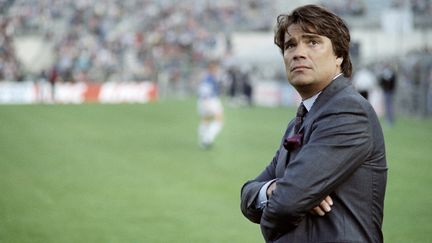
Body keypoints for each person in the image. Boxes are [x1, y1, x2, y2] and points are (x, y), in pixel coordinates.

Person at [240, 5, 387, 242]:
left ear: (339, 55)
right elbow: (248, 194)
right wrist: (272, 189)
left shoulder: (347, 111)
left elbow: (287, 203)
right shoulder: (298, 122)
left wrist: (289, 195)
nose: (298, 53)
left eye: (312, 42)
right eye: (290, 45)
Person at [197, 61, 224, 149]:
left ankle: (203, 139)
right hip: (210, 101)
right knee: (218, 121)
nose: (217, 70)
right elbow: (204, 92)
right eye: (216, 68)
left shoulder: (208, 77)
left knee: (206, 120)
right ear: (212, 69)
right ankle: (207, 139)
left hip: (205, 101)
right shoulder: (208, 78)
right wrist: (206, 103)